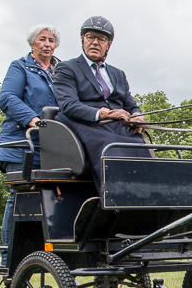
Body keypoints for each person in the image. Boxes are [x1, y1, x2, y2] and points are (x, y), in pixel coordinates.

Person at [51, 16, 149, 184]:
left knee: (142, 146)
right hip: (85, 124)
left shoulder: (118, 74)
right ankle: (118, 198)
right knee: (113, 146)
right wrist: (105, 114)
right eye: (90, 37)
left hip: (117, 127)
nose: (95, 43)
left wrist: (137, 115)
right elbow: (68, 105)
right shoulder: (67, 68)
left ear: (108, 45)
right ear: (83, 39)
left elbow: (130, 105)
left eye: (101, 39)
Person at [0, 24, 61, 267]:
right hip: (21, 144)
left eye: (51, 40)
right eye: (42, 39)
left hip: (54, 145)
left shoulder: (61, 70)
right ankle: (9, 257)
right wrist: (32, 119)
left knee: (55, 196)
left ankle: (44, 255)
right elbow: (7, 98)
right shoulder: (20, 67)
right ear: (32, 44)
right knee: (20, 193)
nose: (47, 43)